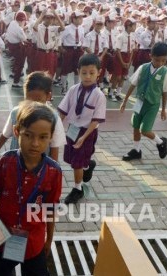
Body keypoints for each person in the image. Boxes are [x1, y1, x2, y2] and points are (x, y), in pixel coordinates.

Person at [0, 101, 62, 276]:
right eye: (28, 135)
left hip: (34, 243)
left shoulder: (54, 172)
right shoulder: (3, 162)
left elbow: (51, 209)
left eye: (43, 137)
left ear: (51, 137)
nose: (35, 143)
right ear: (16, 132)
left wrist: (49, 239)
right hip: (1, 239)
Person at [58, 54, 106, 204]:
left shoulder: (99, 95)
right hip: (72, 129)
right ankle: (88, 165)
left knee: (76, 162)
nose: (87, 77)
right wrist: (55, 129)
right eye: (84, 73)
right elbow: (63, 112)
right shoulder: (73, 90)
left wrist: (83, 137)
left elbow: (95, 121)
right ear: (78, 71)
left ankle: (77, 189)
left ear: (99, 72)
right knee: (71, 158)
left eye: (92, 73)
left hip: (87, 132)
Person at [0, 71, 66, 162]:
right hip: (16, 163)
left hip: (40, 168)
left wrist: (53, 170)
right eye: (28, 99)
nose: (33, 105)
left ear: (48, 96)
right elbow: (5, 134)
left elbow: (54, 148)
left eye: (38, 100)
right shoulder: (16, 113)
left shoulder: (54, 118)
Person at [120, 42, 167, 162]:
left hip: (152, 105)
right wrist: (125, 100)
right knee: (135, 126)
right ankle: (136, 150)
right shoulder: (143, 68)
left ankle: (160, 142)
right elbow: (133, 84)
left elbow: (165, 92)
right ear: (151, 56)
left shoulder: (166, 73)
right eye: (157, 60)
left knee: (145, 130)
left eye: (163, 60)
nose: (160, 63)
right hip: (140, 102)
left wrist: (163, 110)